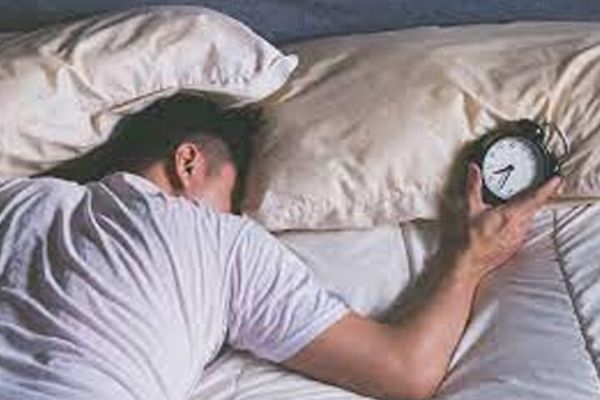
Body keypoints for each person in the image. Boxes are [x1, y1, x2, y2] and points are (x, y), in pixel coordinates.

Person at [0, 94, 562, 400]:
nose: (234, 214)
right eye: (231, 197)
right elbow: (405, 370)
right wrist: (469, 257)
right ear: (189, 161)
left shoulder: (18, 199)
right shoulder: (216, 238)